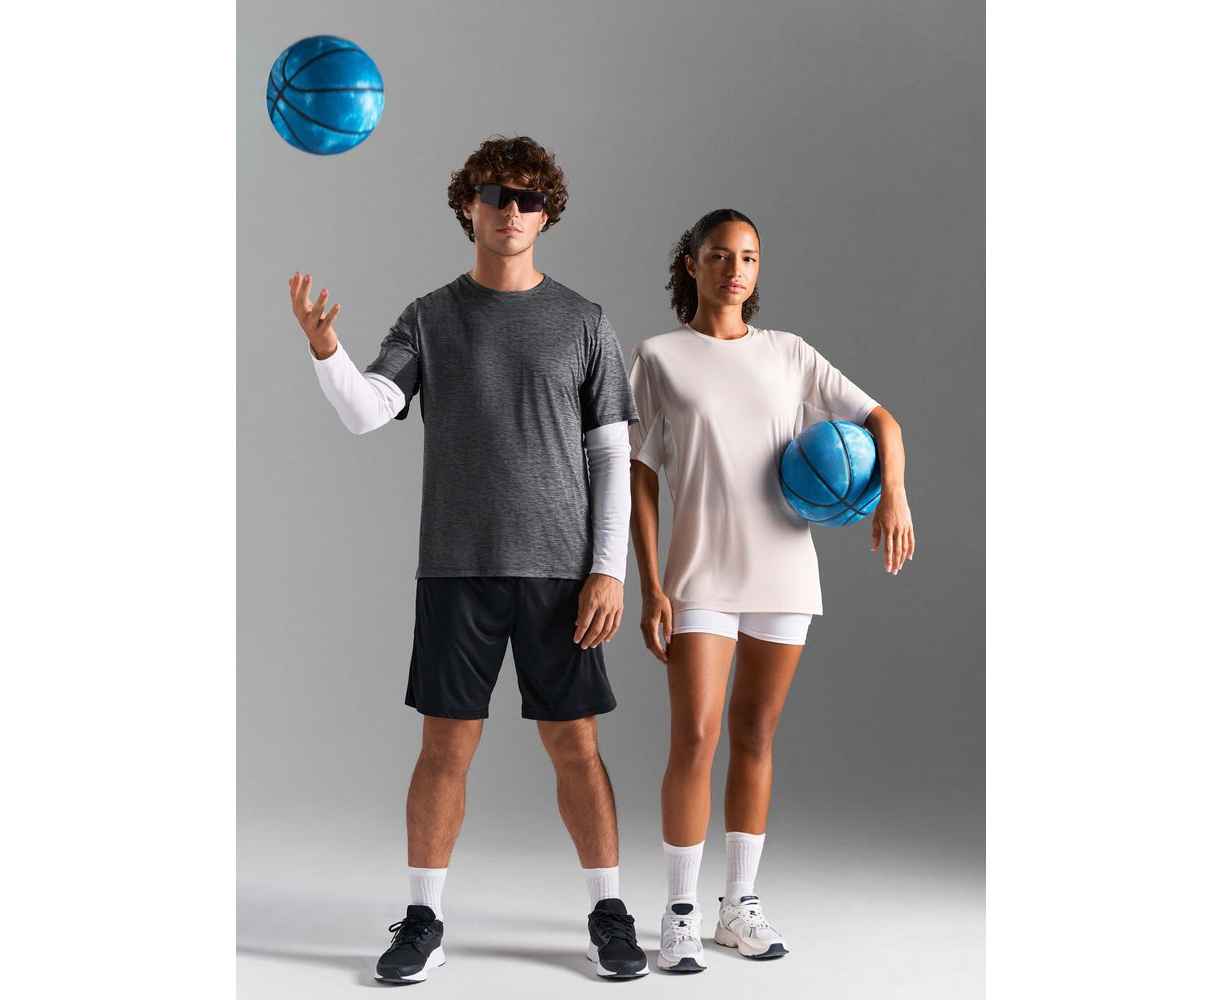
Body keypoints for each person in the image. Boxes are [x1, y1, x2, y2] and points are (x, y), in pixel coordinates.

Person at [289, 135, 649, 982]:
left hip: (561, 573)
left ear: (547, 214)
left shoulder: (584, 321)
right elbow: (368, 411)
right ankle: (423, 919)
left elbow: (610, 454)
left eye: (528, 199)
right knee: (444, 747)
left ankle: (607, 911)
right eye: (495, 195)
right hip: (456, 566)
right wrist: (325, 349)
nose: (511, 211)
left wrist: (609, 571)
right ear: (467, 206)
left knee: (576, 745)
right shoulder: (429, 316)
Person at [627, 209, 915, 972]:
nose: (735, 270)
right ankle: (679, 913)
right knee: (694, 737)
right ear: (690, 263)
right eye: (720, 255)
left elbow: (881, 420)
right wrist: (649, 583)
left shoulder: (788, 353)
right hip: (698, 574)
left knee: (756, 735)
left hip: (784, 571)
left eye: (749, 257)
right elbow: (637, 473)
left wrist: (892, 495)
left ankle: (739, 906)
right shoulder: (658, 356)